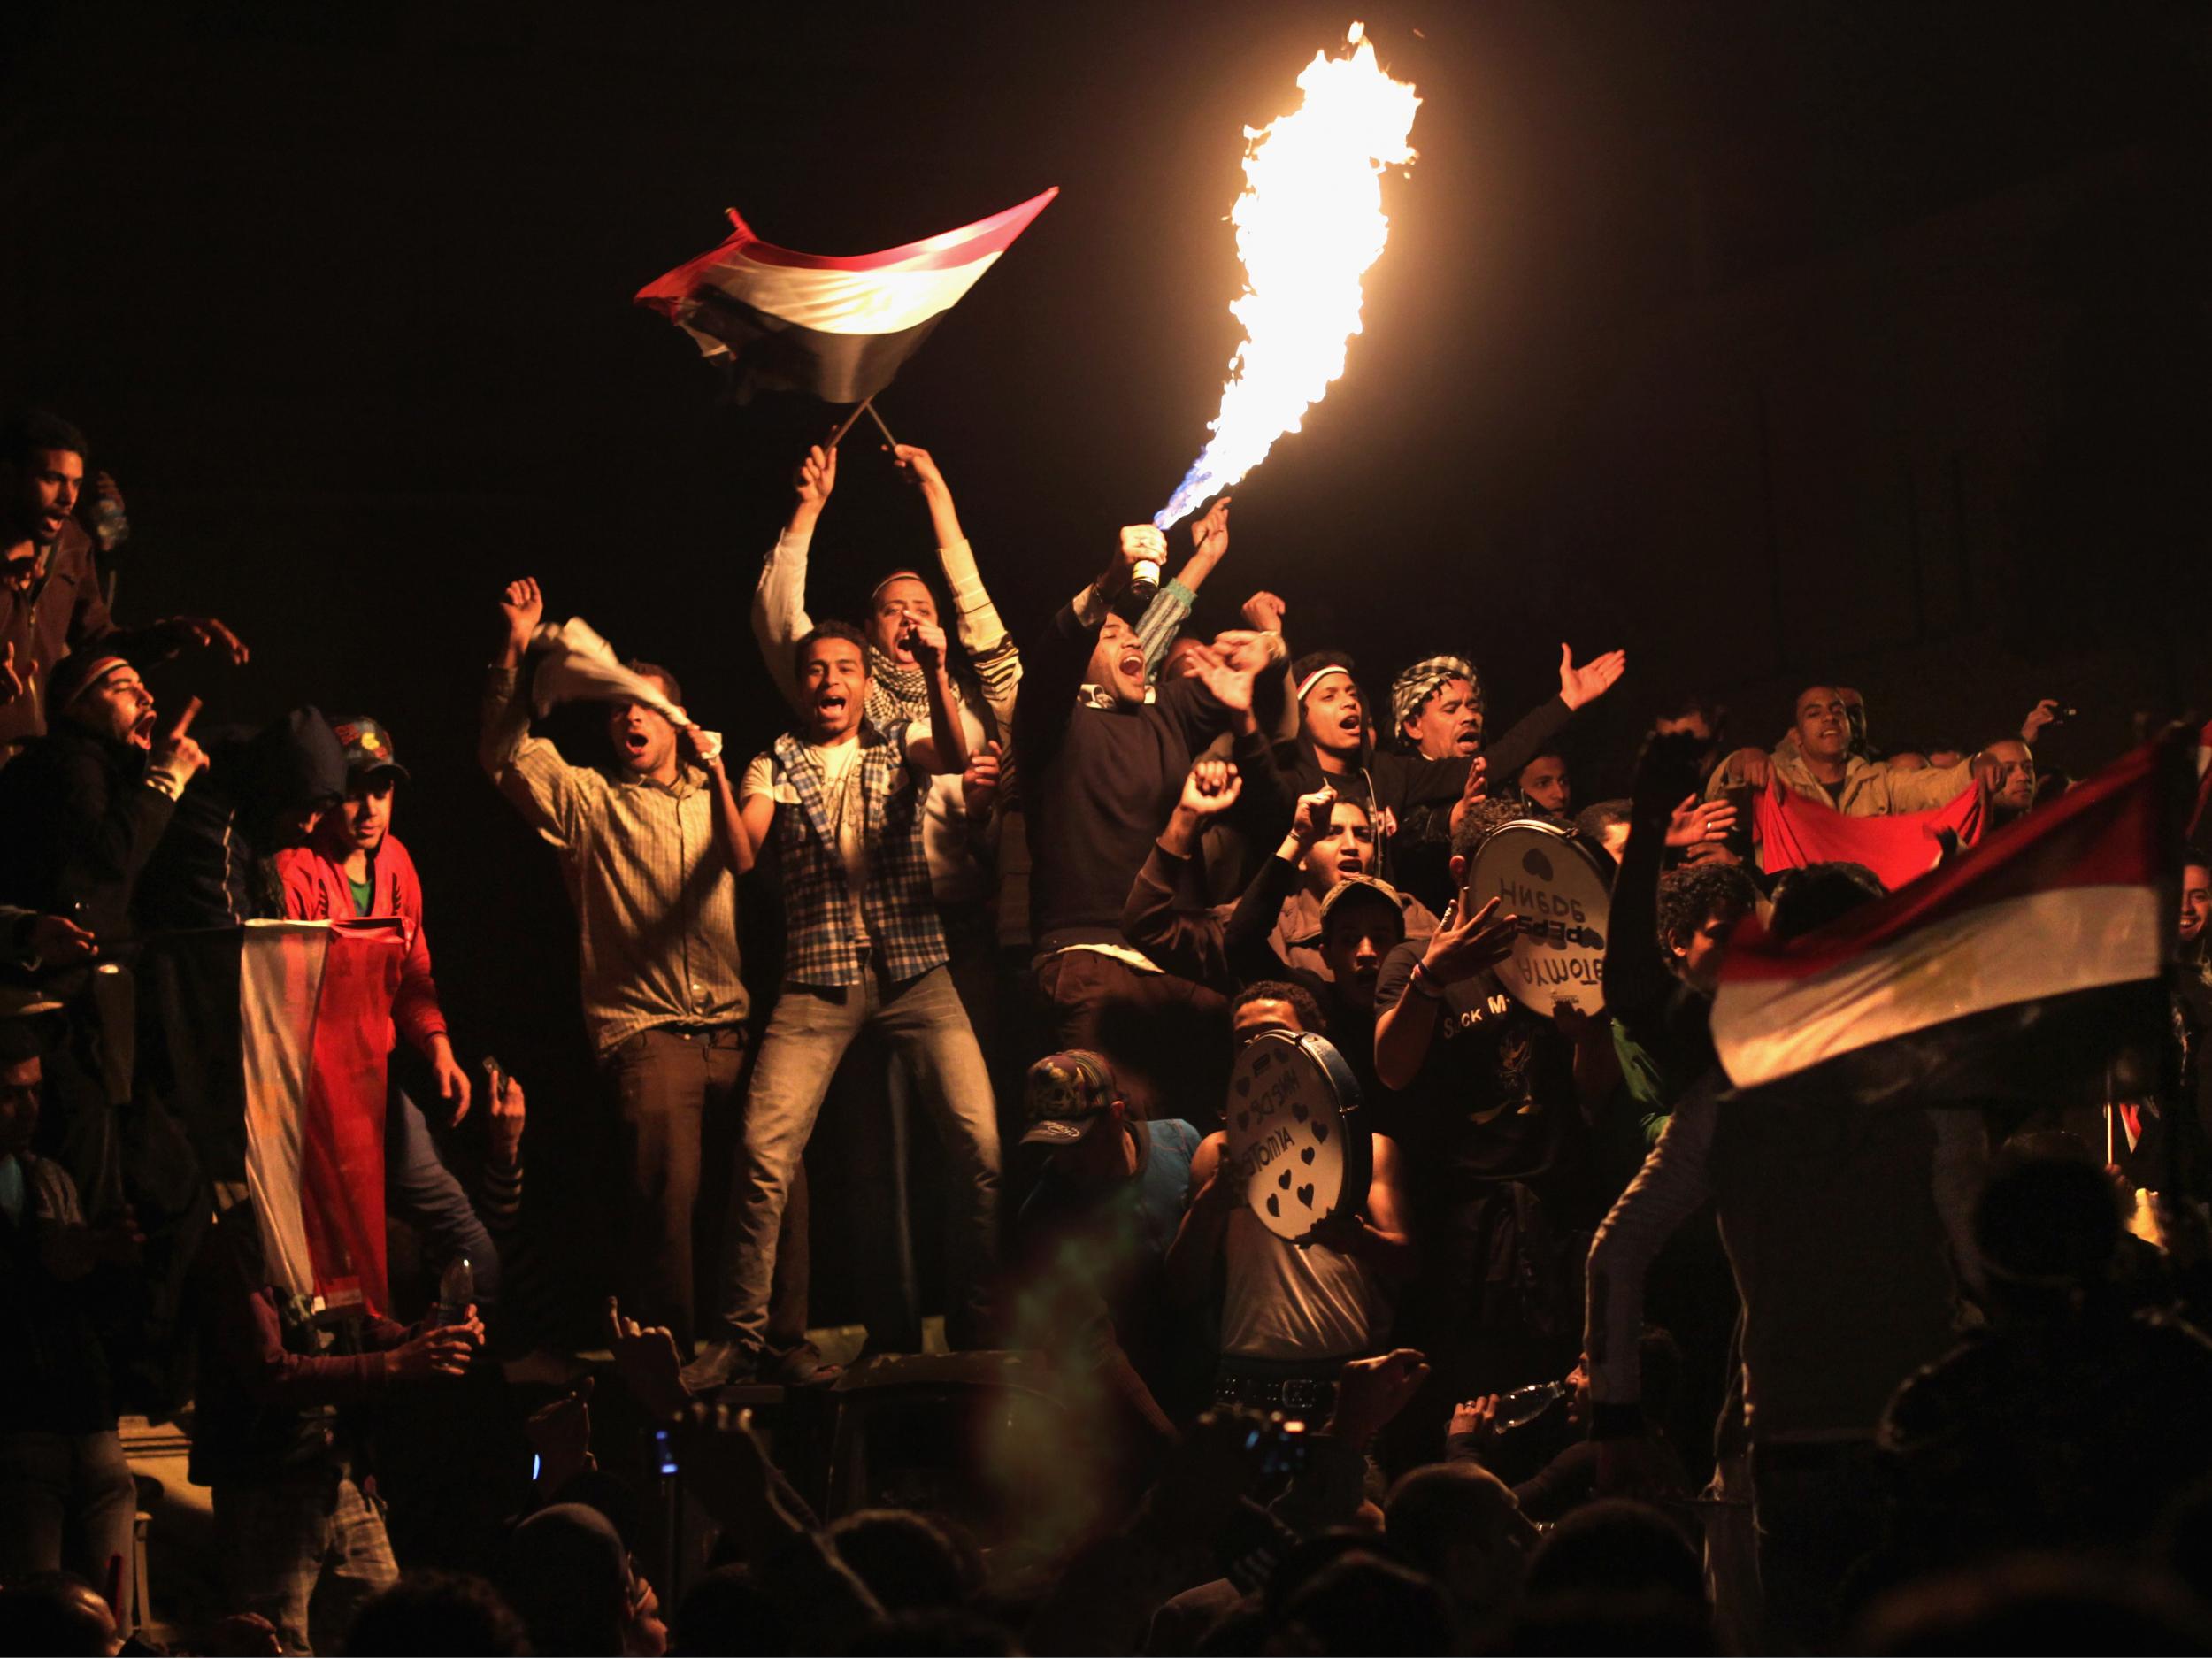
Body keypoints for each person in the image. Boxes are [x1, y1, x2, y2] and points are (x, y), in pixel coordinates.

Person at [1582, 863, 1988, 1652]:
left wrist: (1616, 1416)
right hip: (1917, 1425)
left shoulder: (1726, 1099)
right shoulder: (1931, 1088)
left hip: (1791, 1435)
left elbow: (1616, 1250)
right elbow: (1976, 1250)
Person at [480, 576, 815, 1365]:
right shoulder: (590, 802)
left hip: (732, 1027)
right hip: (649, 1032)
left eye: (648, 706)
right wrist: (514, 650)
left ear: (676, 722)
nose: (631, 716)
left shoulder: (716, 796)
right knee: (668, 1201)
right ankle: (672, 1359)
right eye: (621, 707)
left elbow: (750, 855)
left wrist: (720, 768)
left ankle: (781, 1341)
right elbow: (503, 754)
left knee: (782, 1175)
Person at [686, 619, 998, 1388]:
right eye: (817, 670)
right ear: (802, 685)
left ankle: (985, 1322)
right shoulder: (774, 761)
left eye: (846, 668)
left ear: (864, 681)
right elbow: (742, 853)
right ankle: (739, 1337)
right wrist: (719, 774)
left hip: (916, 973)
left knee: (983, 1151)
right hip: (817, 982)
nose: (831, 681)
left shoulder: (898, 738)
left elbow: (957, 758)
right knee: (763, 1150)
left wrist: (933, 670)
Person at [1372, 801, 1620, 1401]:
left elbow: (1596, 1091)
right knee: (1475, 1397)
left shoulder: (1564, 956)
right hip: (1466, 1226)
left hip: (1560, 1213)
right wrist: (1431, 979)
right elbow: (1391, 1069)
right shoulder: (1412, 960)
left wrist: (1589, 1029)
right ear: (1464, 871)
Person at [1017, 518, 1282, 1051]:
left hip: (1180, 958)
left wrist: (1270, 655)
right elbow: (1053, 660)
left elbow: (1243, 683)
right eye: (1111, 634)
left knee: (1216, 1126)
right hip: (1091, 960)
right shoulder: (1053, 722)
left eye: (1135, 635)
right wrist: (1109, 582)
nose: (1132, 638)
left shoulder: (1168, 713)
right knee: (1118, 1128)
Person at [189, 1194, 484, 1655]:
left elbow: (354, 1325)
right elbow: (270, 1370)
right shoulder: (243, 1238)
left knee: (387, 1635)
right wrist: (393, 1364)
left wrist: (418, 1337)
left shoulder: (325, 1222)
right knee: (277, 1644)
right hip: (269, 1486)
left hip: (341, 1476)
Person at [278, 717, 499, 1317]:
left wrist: (439, 1049)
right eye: (354, 790)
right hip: (312, 1100)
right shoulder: (296, 871)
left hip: (375, 1085)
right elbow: (285, 1008)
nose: (369, 807)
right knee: (342, 1261)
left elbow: (411, 973)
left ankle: (464, 1374)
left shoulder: (396, 863)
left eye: (382, 790)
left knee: (470, 1241)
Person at [1164, 987, 1417, 1417]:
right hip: (1244, 1388)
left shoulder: (1368, 1150)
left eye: (1272, 1035)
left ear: (1314, 1043)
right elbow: (1182, 1289)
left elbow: (1407, 1264)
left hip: (1344, 1387)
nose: (1255, 1050)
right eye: (1243, 1042)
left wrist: (1355, 1239)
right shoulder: (1219, 1152)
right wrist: (1211, 1203)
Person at [0, 410, 246, 761]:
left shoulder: (71, 546)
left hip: (28, 764)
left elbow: (98, 643)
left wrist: (170, 635)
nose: (68, 498)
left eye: (75, 483)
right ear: (9, 477)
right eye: (52, 479)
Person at [1306, 643, 1624, 911]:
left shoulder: (1493, 784)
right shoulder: (1394, 776)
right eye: (1451, 708)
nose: (1469, 716)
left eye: (1473, 706)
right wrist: (1452, 820)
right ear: (1414, 724)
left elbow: (1502, 760)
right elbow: (1409, 836)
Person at [0, 1018, 141, 1602]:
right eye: (10, 1094)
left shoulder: (45, 1174)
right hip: (23, 1421)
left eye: (34, 1090)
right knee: (41, 1611)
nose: (28, 1107)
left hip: (87, 1415)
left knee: (113, 1611)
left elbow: (67, 1261)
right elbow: (48, 1259)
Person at [1008, 1050, 1205, 1455]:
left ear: (1116, 1114)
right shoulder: (1048, 1212)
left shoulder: (1181, 1142)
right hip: (1134, 1414)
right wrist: (1170, 1444)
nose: (1065, 1159)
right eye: (1051, 1144)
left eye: (1079, 1142)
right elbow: (1093, 1344)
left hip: (1219, 1378)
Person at [1706, 684, 2058, 817]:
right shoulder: (1774, 777)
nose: (1829, 717)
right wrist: (1740, 761)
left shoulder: (1879, 781)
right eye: (1814, 713)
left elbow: (1932, 787)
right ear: (1796, 736)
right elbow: (1719, 803)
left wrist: (1975, 767)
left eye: (1838, 711)